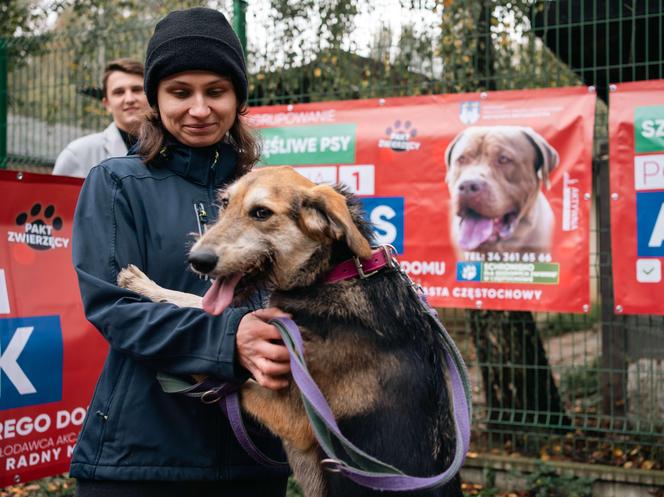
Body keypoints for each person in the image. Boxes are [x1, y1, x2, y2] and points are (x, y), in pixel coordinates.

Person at [70, 8, 292, 497]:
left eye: (216, 91)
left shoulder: (264, 192)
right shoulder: (117, 183)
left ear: (237, 98)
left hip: (253, 457)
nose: (199, 109)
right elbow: (115, 308)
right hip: (142, 461)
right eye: (179, 92)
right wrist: (230, 340)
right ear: (155, 99)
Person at [52, 58, 149, 177]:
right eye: (119, 92)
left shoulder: (171, 149)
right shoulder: (77, 155)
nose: (129, 99)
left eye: (137, 90)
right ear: (107, 104)